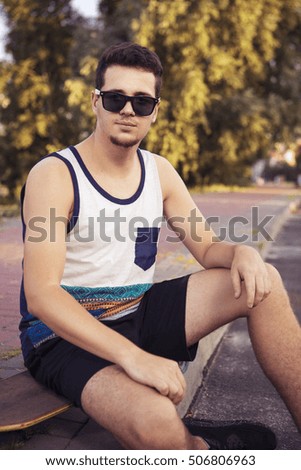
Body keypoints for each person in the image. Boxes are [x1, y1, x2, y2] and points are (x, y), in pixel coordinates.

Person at [19, 42, 301, 450]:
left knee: (265, 283)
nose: (128, 110)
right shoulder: (56, 175)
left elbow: (208, 249)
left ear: (155, 110)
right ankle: (195, 447)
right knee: (156, 422)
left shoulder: (159, 172)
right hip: (64, 336)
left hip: (138, 311)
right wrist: (135, 358)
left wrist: (243, 252)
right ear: (95, 101)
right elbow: (42, 296)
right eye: (116, 98)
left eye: (142, 102)